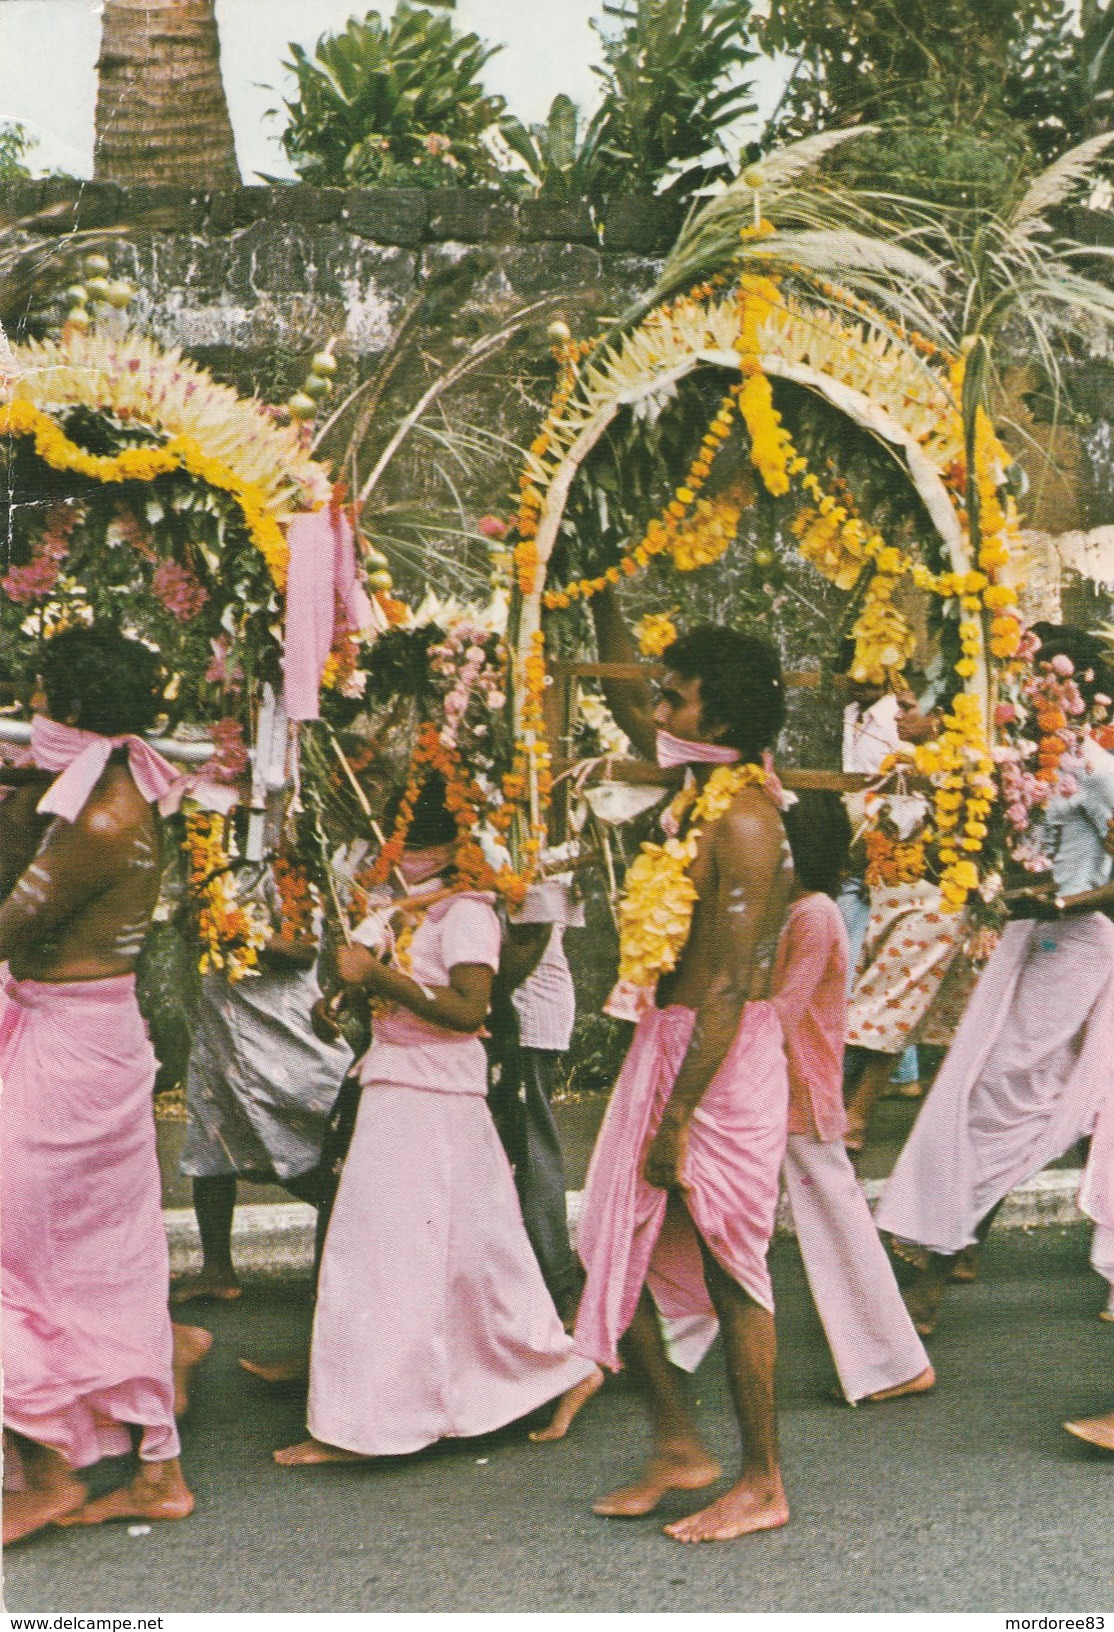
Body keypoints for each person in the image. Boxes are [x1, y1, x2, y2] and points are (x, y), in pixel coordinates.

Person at [542, 586, 793, 1543]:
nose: (657, 715)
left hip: (716, 1065)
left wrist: (681, 1118)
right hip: (668, 1045)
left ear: (719, 720)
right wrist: (595, 591)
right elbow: (624, 732)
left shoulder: (746, 821)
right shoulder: (696, 793)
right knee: (616, 1250)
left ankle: (763, 1480)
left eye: (673, 701)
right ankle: (679, 1445)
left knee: (736, 1271)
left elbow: (729, 986)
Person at [274, 775, 596, 1466]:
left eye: (416, 844)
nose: (404, 856)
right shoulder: (403, 907)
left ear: (451, 845)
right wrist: (345, 1000)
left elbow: (469, 1010)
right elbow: (387, 989)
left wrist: (377, 979)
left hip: (436, 1097)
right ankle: (556, 1367)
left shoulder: (468, 911)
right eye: (400, 842)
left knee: (387, 1255)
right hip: (397, 1082)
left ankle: (374, 1424)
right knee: (466, 1257)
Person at [1, 627, 202, 1543]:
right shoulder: (108, 787)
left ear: (71, 712)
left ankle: (46, 1472)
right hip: (88, 1040)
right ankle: (154, 1459)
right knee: (97, 1256)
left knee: (20, 1253)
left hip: (70, 1051)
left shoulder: (98, 815)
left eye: (42, 698)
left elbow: (10, 924)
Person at [878, 627, 1114, 1336]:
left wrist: (1063, 903)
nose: (1028, 694)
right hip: (1026, 936)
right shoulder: (1018, 765)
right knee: (978, 1087)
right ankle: (951, 1243)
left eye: (1040, 684)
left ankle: (935, 1259)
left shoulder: (1097, 769)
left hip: (1078, 942)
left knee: (1004, 1095)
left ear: (1068, 695)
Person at [775, 791, 934, 1404]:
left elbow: (783, 1012)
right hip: (768, 1090)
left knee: (840, 1230)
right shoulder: (784, 909)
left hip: (801, 1096)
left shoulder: (815, 914)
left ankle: (894, 1362)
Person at [172, 832, 354, 1306]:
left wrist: (241, 935)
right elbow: (189, 925)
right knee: (212, 1140)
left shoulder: (289, 860)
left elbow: (305, 949)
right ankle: (217, 1269)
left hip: (281, 1028)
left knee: (305, 1143)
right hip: (222, 1026)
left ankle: (365, 1247)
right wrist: (194, 924)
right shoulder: (207, 855)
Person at [843, 690, 967, 1150]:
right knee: (872, 1008)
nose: (898, 713)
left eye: (911, 707)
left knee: (886, 1009)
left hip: (934, 904)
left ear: (939, 716)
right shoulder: (898, 765)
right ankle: (844, 1112)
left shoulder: (958, 768)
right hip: (885, 899)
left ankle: (855, 1116)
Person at [493, 879, 585, 1323]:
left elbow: (530, 937)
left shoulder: (526, 836)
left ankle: (559, 1285)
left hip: (521, 1012)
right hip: (492, 1008)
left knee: (530, 1149)